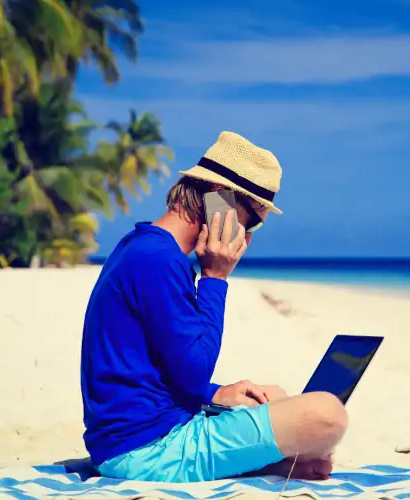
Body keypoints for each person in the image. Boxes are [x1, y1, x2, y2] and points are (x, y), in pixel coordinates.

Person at [80, 131, 347, 483]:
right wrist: (215, 276)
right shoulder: (159, 260)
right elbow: (194, 370)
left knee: (276, 398)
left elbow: (160, 371)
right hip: (146, 451)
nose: (248, 236)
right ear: (219, 200)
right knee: (327, 413)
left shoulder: (144, 246)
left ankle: (265, 464)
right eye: (252, 220)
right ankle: (263, 464)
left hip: (135, 437)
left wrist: (218, 394)